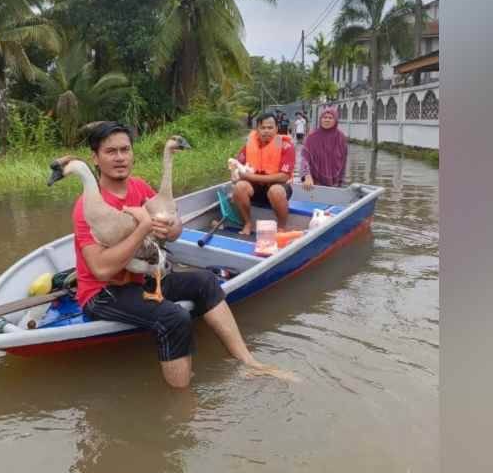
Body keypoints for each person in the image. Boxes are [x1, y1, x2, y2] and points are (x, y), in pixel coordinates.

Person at [72, 122, 294, 388]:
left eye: (125, 149)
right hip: (103, 293)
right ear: (95, 158)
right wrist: (143, 227)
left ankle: (249, 363)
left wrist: (171, 226)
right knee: (173, 318)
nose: (120, 157)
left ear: (132, 153)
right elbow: (101, 270)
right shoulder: (87, 207)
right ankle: (182, 408)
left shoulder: (139, 188)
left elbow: (174, 231)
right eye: (110, 152)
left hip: (142, 280)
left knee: (205, 282)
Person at [231, 113, 295, 234]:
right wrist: (234, 171)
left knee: (275, 191)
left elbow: (284, 176)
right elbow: (238, 164)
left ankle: (281, 227)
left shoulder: (286, 146)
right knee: (239, 187)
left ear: (276, 128)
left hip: (277, 188)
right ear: (257, 129)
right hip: (255, 189)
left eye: (270, 128)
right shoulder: (249, 144)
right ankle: (248, 223)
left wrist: (250, 176)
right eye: (263, 127)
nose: (266, 131)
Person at [302, 106, 348, 188]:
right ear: (320, 119)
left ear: (335, 120)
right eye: (324, 117)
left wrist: (341, 181)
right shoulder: (311, 137)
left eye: (330, 118)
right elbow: (305, 159)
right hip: (314, 183)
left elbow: (343, 162)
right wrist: (307, 176)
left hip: (335, 183)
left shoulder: (341, 138)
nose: (327, 120)